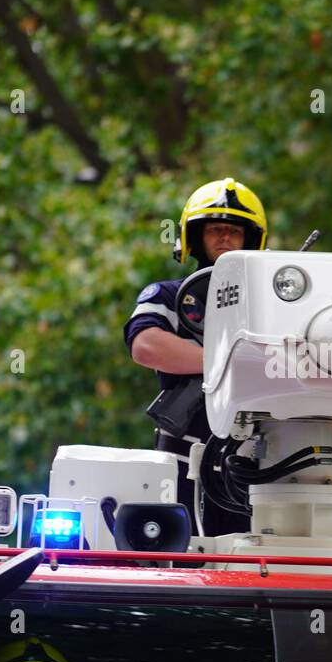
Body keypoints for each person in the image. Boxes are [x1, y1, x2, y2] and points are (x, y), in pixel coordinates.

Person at [123, 177, 268, 537]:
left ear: (249, 240)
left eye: (234, 232)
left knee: (255, 568)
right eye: (216, 230)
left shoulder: (272, 306)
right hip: (181, 462)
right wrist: (227, 361)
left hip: (255, 468)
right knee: (178, 562)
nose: (225, 238)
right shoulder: (168, 295)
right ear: (195, 237)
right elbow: (145, 345)